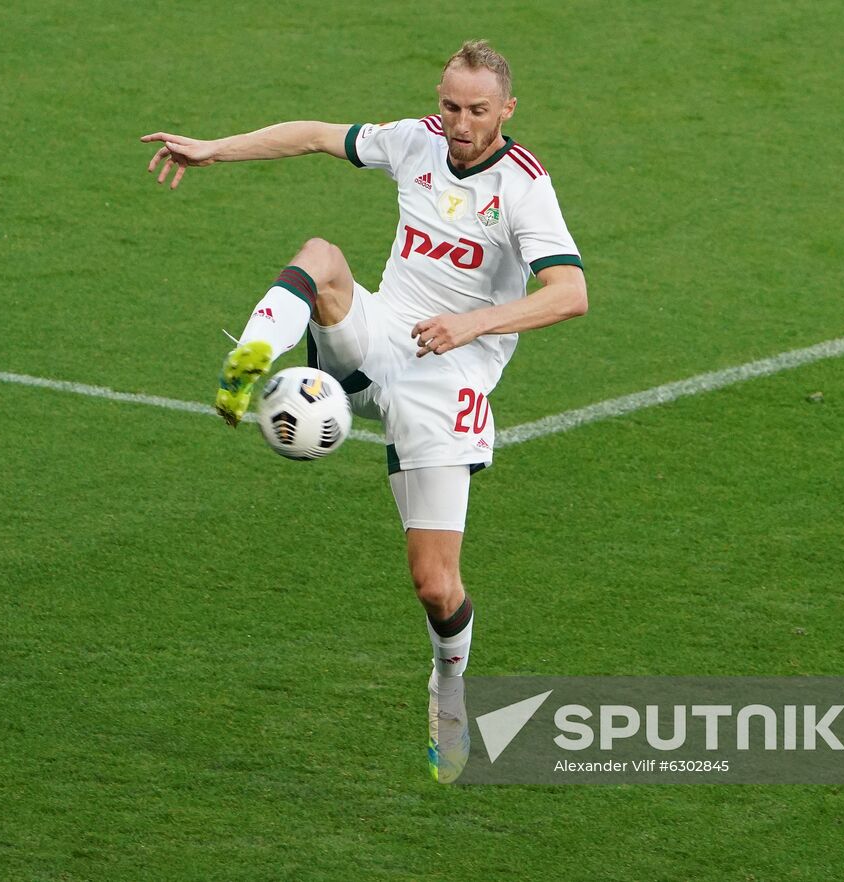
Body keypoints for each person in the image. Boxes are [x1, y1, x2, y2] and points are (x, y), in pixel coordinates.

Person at [143, 40, 586, 783]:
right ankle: (248, 362)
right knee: (322, 254)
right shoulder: (416, 140)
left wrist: (471, 325)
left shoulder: (523, 186)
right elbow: (317, 135)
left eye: (477, 110)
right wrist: (215, 149)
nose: (460, 122)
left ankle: (448, 683)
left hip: (450, 379)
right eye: (451, 105)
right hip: (383, 333)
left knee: (435, 585)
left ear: (507, 110)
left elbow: (570, 293)